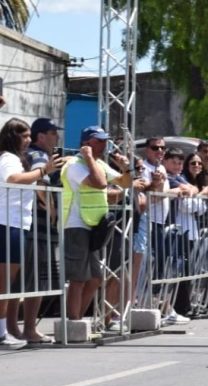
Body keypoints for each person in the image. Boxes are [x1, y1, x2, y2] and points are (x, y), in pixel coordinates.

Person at [0, 118, 64, 348]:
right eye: (24, 135)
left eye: (29, 136)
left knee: (9, 283)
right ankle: (7, 332)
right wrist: (44, 173)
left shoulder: (17, 158)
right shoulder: (10, 158)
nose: (28, 140)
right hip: (11, 224)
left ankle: (7, 330)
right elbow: (14, 179)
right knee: (7, 283)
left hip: (18, 225)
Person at [61, 126, 131, 322]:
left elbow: (125, 183)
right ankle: (73, 322)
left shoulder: (98, 163)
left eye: (104, 140)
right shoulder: (75, 165)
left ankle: (76, 320)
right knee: (78, 278)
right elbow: (100, 183)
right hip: (75, 224)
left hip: (92, 224)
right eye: (99, 141)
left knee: (94, 278)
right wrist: (90, 158)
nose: (104, 144)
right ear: (86, 144)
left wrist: (126, 167)